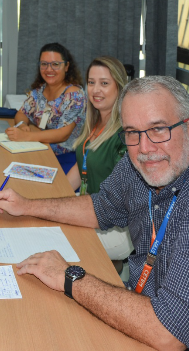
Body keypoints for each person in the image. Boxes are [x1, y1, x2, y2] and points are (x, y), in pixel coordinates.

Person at [0, 76, 189, 350]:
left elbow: (169, 333)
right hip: (142, 313)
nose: (145, 148)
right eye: (132, 132)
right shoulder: (139, 165)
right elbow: (99, 207)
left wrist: (70, 277)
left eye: (158, 130)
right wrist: (27, 206)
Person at [66, 56, 132, 271]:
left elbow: (120, 197)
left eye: (104, 83)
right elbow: (82, 164)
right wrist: (57, 195)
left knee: (59, 239)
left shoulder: (124, 133)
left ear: (120, 88)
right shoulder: (94, 122)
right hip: (90, 209)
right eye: (91, 82)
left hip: (117, 228)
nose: (96, 90)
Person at [7, 42, 86, 174]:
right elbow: (22, 113)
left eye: (55, 64)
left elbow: (63, 134)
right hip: (40, 149)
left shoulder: (74, 95)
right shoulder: (39, 91)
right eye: (44, 64)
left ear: (66, 66)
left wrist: (26, 135)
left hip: (66, 159)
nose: (49, 69)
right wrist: (21, 125)